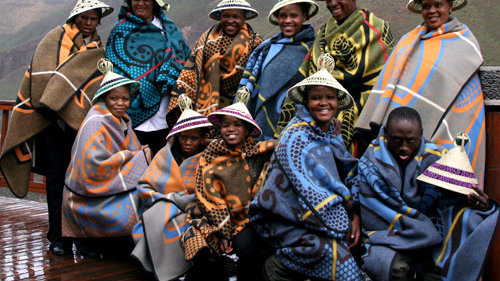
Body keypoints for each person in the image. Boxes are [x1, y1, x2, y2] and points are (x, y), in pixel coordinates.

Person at [0, 0, 112, 255]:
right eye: (84, 17)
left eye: (93, 18)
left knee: (82, 181)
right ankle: (58, 236)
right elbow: (41, 80)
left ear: (98, 20)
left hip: (81, 127)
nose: (88, 22)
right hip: (51, 123)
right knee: (55, 180)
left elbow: (96, 85)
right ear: (75, 18)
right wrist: (59, 107)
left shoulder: (98, 48)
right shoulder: (54, 39)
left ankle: (83, 238)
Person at [355, 0, 487, 183]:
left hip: (446, 124)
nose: (432, 11)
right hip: (402, 130)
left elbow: (463, 87)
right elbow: (392, 85)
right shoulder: (409, 41)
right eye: (426, 6)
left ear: (450, 6)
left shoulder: (464, 42)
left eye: (438, 5)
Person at [249, 54, 364, 281]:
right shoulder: (295, 137)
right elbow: (314, 189)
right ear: (306, 102)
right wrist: (350, 210)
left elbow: (347, 169)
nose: (323, 103)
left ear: (337, 102)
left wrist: (357, 214)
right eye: (316, 98)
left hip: (321, 212)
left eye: (330, 97)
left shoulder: (331, 133)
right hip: (288, 217)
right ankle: (276, 269)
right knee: (335, 256)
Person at [358, 107, 499, 280]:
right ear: (386, 134)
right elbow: (369, 203)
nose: (404, 148)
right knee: (395, 268)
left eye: (411, 141)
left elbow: (453, 201)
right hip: (388, 235)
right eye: (396, 140)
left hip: (431, 232)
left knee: (439, 271)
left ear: (421, 135)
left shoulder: (437, 157)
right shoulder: (371, 161)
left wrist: (482, 206)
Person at [277, 0, 394, 155]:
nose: (332, 3)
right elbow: (310, 69)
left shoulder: (377, 28)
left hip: (362, 110)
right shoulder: (323, 32)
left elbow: (383, 75)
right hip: (319, 106)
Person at [181, 88, 274, 281]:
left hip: (247, 219)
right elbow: (208, 196)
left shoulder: (257, 153)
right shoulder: (211, 155)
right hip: (213, 218)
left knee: (248, 246)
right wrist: (223, 233)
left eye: (237, 125)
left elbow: (282, 144)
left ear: (248, 129)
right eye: (226, 125)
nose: (231, 129)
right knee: (200, 246)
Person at [61, 59, 151, 259]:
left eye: (125, 99)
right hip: (85, 194)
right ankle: (90, 239)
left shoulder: (121, 121)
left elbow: (133, 150)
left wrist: (137, 155)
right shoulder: (95, 123)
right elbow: (93, 166)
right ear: (104, 99)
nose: (120, 103)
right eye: (114, 98)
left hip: (108, 187)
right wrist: (135, 157)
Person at [106, 0, 190, 156]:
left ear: (155, 2)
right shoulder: (120, 30)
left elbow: (185, 62)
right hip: (131, 113)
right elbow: (114, 70)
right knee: (134, 168)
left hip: (164, 115)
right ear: (130, 0)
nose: (140, 3)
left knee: (162, 169)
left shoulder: (169, 29)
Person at [131, 94, 212, 280]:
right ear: (177, 136)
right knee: (160, 212)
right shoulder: (164, 155)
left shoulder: (208, 158)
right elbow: (144, 186)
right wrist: (172, 199)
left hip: (194, 210)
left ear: (201, 138)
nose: (189, 142)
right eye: (184, 138)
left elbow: (210, 191)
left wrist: (182, 201)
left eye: (194, 138)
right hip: (163, 206)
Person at [167, 0, 263, 125]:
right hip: (206, 108)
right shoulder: (205, 41)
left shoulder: (256, 43)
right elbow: (191, 71)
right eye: (226, 16)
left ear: (244, 17)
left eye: (236, 16)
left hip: (242, 108)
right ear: (220, 17)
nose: (230, 20)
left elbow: (258, 77)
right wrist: (183, 97)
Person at [239, 0, 317, 141]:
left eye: (293, 15)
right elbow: (251, 87)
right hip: (262, 123)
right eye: (283, 16)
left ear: (304, 16)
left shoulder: (314, 49)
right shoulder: (266, 49)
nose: (287, 21)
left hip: (299, 125)